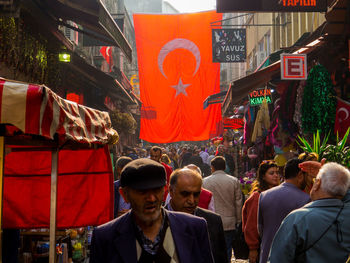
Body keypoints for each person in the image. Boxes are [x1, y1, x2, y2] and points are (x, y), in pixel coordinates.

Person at [90, 158, 214, 263]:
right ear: (124, 195)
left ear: (165, 190)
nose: (151, 198)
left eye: (156, 190)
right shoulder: (105, 237)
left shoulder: (195, 227)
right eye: (142, 192)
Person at [269, 162, 350, 263]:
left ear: (317, 184)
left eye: (315, 180)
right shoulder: (347, 213)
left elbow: (278, 259)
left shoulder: (298, 218)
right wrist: (337, 178)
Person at [166, 168, 228, 263]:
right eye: (185, 194)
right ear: (171, 191)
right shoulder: (157, 221)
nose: (191, 201)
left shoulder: (213, 221)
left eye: (196, 194)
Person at [258, 158, 310, 263]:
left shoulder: (264, 195)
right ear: (300, 175)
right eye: (307, 176)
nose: (309, 180)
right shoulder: (306, 199)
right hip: (290, 256)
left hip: (267, 255)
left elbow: (260, 229)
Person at [203, 156, 243, 262]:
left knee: (213, 248)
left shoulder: (205, 182)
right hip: (229, 222)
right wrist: (239, 220)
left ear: (212, 167)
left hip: (210, 221)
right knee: (227, 248)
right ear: (225, 167)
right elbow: (238, 202)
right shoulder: (233, 181)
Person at [242, 160, 280, 263]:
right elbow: (251, 225)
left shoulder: (277, 193)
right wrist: (253, 248)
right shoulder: (257, 197)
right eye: (271, 173)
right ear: (263, 176)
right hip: (261, 245)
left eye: (277, 173)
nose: (276, 176)